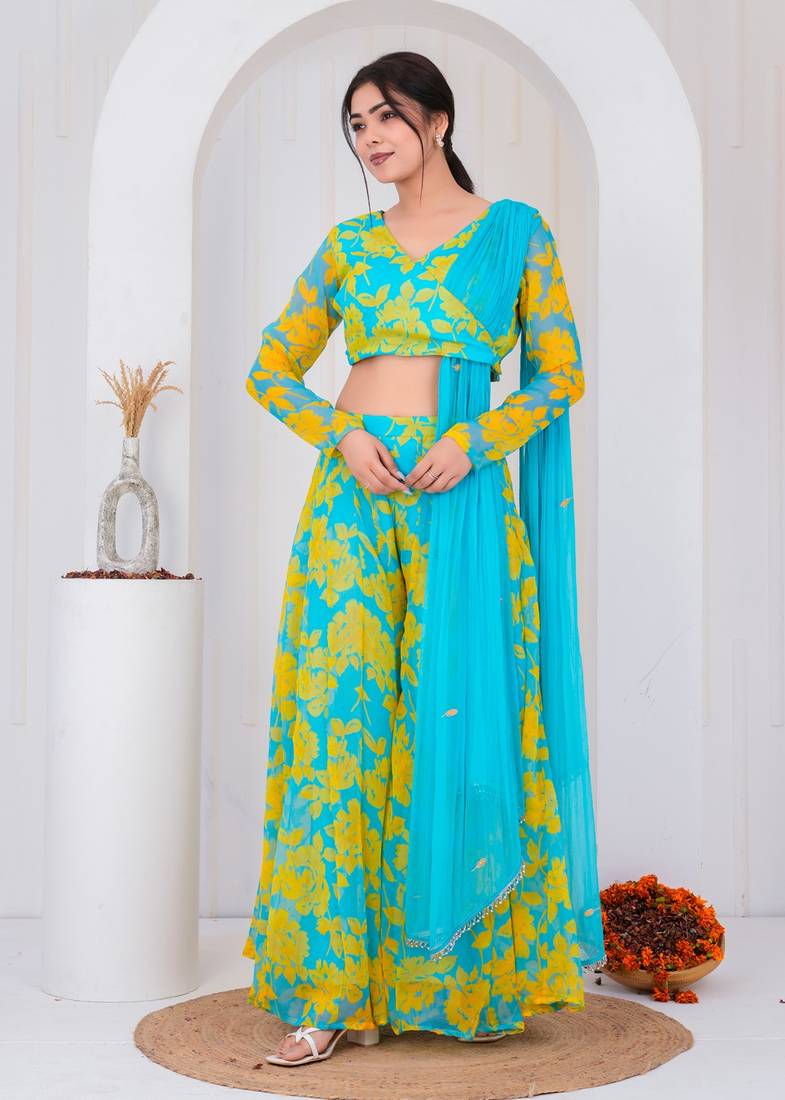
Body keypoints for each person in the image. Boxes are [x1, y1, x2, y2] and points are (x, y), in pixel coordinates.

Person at [242, 50, 605, 1068]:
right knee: (339, 725)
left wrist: (477, 441)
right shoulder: (348, 246)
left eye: (387, 115)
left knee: (456, 715)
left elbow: (560, 372)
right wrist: (340, 434)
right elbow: (270, 367)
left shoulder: (514, 235)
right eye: (355, 123)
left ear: (437, 120)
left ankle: (460, 981)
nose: (370, 136)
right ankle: (328, 990)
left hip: (460, 498)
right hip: (353, 500)